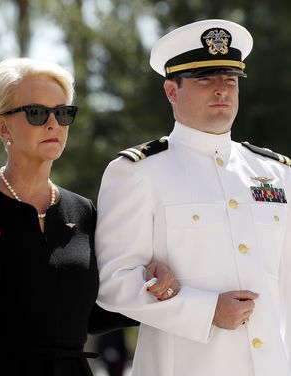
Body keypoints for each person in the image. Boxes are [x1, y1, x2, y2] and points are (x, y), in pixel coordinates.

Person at [0, 57, 179, 376]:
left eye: (62, 113)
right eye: (36, 113)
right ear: (2, 126)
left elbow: (92, 314)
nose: (53, 124)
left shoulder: (82, 210)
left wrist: (147, 284)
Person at [95, 18, 291, 376]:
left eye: (230, 80)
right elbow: (113, 283)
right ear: (172, 91)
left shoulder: (277, 173)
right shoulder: (137, 173)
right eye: (205, 80)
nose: (222, 90)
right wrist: (206, 310)